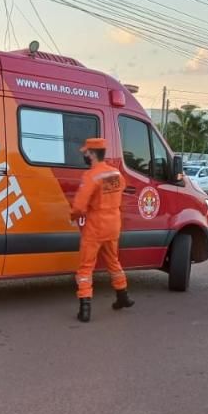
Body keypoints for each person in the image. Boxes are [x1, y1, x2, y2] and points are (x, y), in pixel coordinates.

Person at [71, 138, 134, 322]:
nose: (84, 155)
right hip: (113, 224)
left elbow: (79, 206)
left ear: (92, 154)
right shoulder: (115, 173)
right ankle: (123, 296)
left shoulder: (91, 176)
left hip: (96, 226)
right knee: (113, 262)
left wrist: (72, 216)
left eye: (86, 152)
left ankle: (85, 309)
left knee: (86, 266)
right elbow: (121, 188)